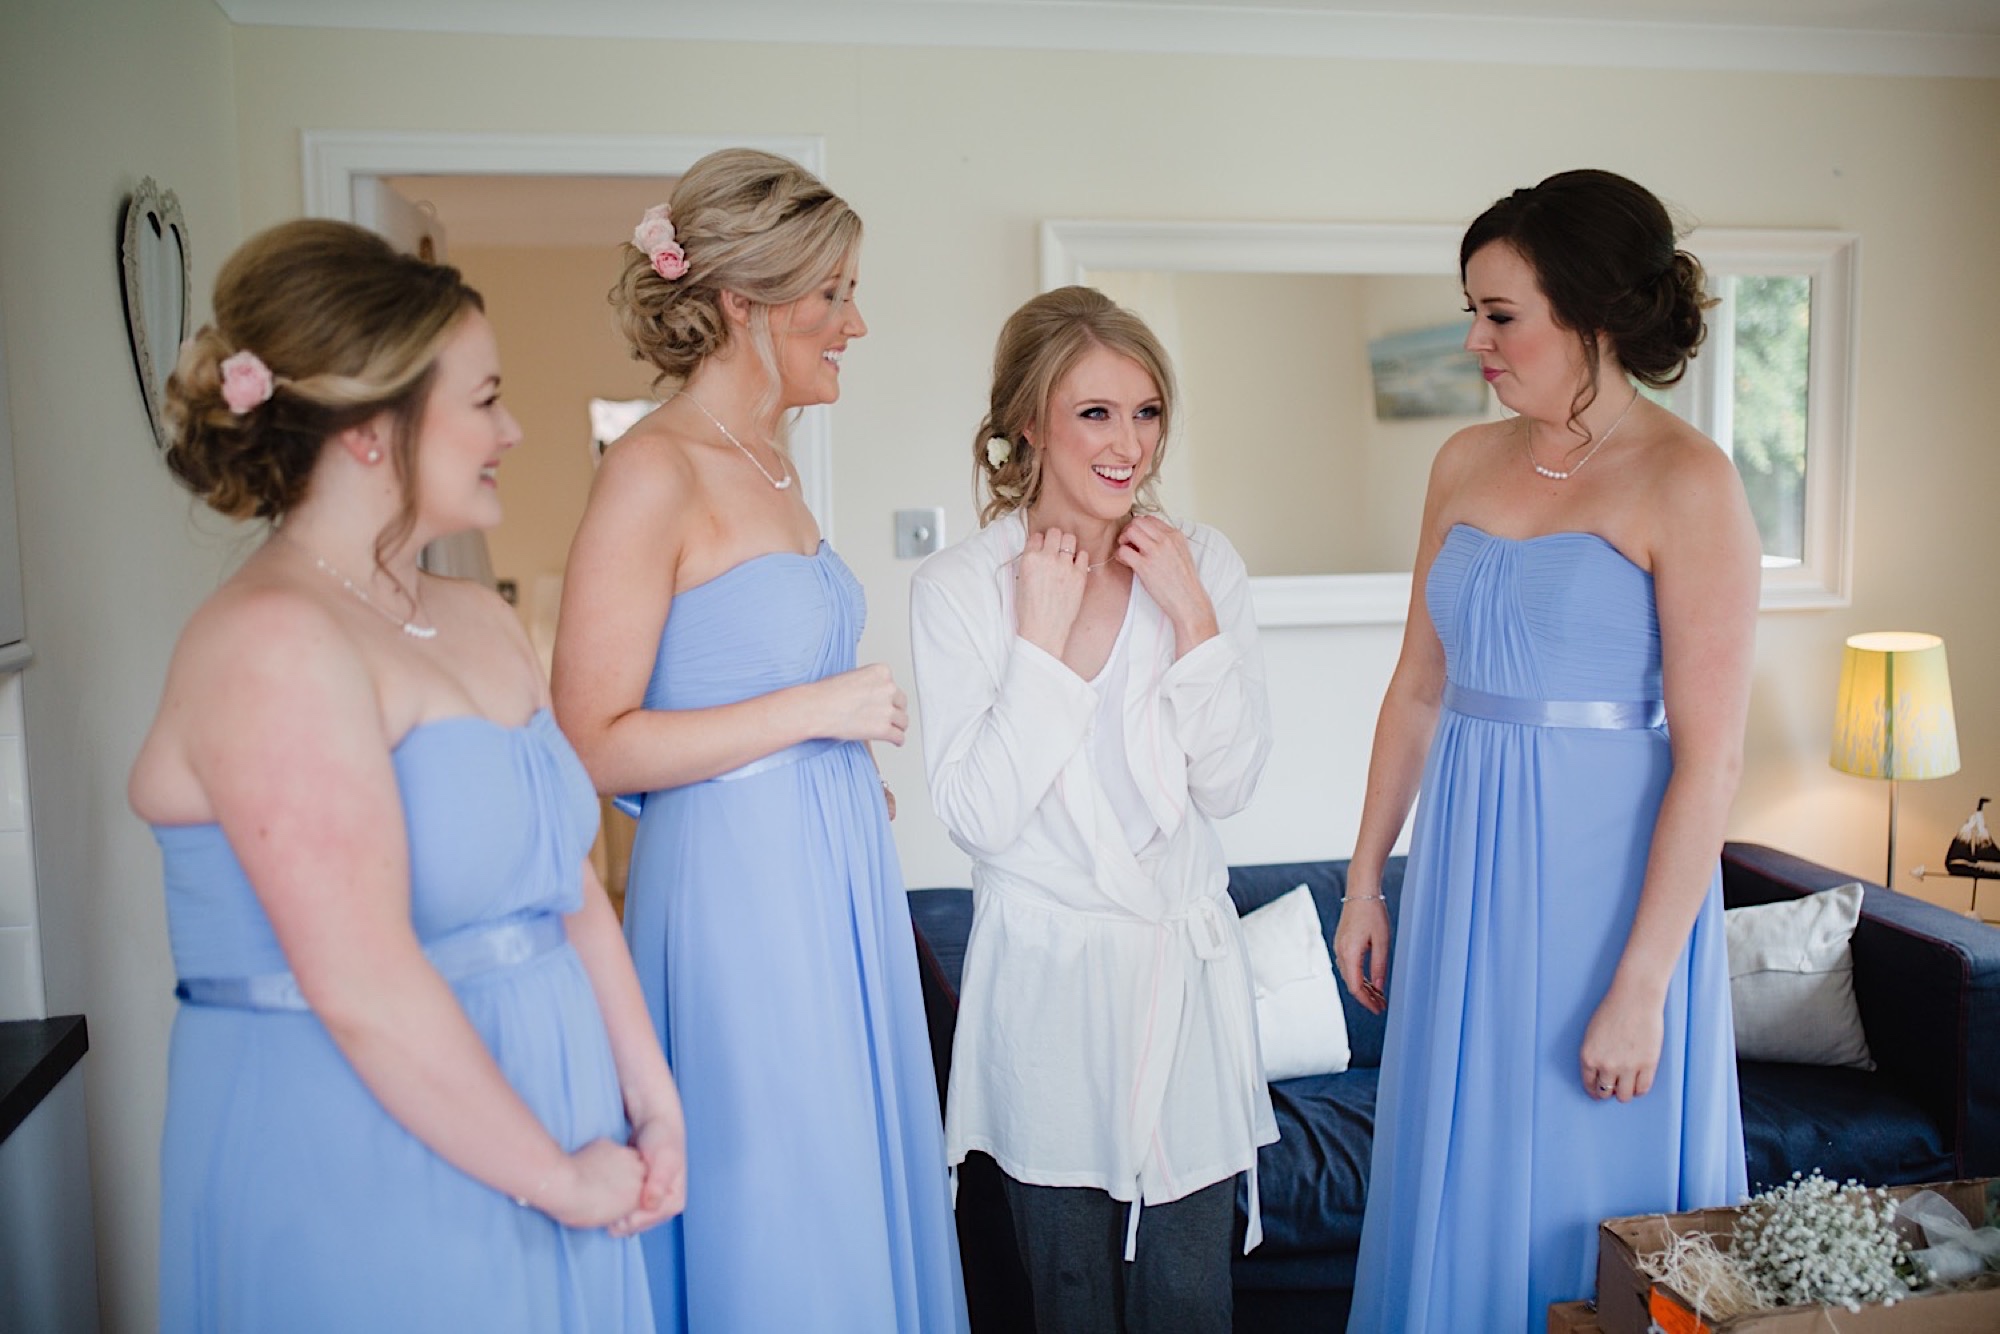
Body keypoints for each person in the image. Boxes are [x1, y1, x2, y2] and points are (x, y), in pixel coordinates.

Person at [129, 219, 685, 1333]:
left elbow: (568, 886)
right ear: (373, 430)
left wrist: (651, 1097)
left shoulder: (476, 620)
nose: (511, 429)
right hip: (364, 1137)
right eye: (483, 398)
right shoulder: (271, 641)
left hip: (556, 1110)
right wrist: (556, 1174)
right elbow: (363, 981)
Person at [550, 149, 967, 1334]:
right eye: (831, 295)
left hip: (829, 874)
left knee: (843, 1167)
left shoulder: (773, 466)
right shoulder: (650, 469)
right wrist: (814, 716)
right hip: (736, 899)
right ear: (741, 300)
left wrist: (842, 767)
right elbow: (588, 741)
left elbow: (739, 679)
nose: (856, 322)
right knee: (777, 1187)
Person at [1334, 169, 1756, 1333]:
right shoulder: (1461, 464)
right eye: (1470, 309)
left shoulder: (1688, 479)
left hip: (1603, 898)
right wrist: (1365, 881)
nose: (1473, 337)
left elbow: (1710, 759)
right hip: (1468, 886)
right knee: (1455, 1173)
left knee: (1589, 1198)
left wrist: (1640, 984)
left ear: (1592, 316)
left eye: (1499, 313)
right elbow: (1415, 687)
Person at [909, 286, 1277, 1334]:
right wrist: (1040, 639)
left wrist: (1193, 617)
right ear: (1027, 420)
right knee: (1068, 1296)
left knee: (1187, 1292)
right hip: (1048, 989)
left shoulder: (1201, 563)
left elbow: (1229, 782)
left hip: (1181, 981)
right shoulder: (961, 588)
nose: (1127, 444)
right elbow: (976, 814)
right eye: (1094, 412)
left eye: (1146, 410)